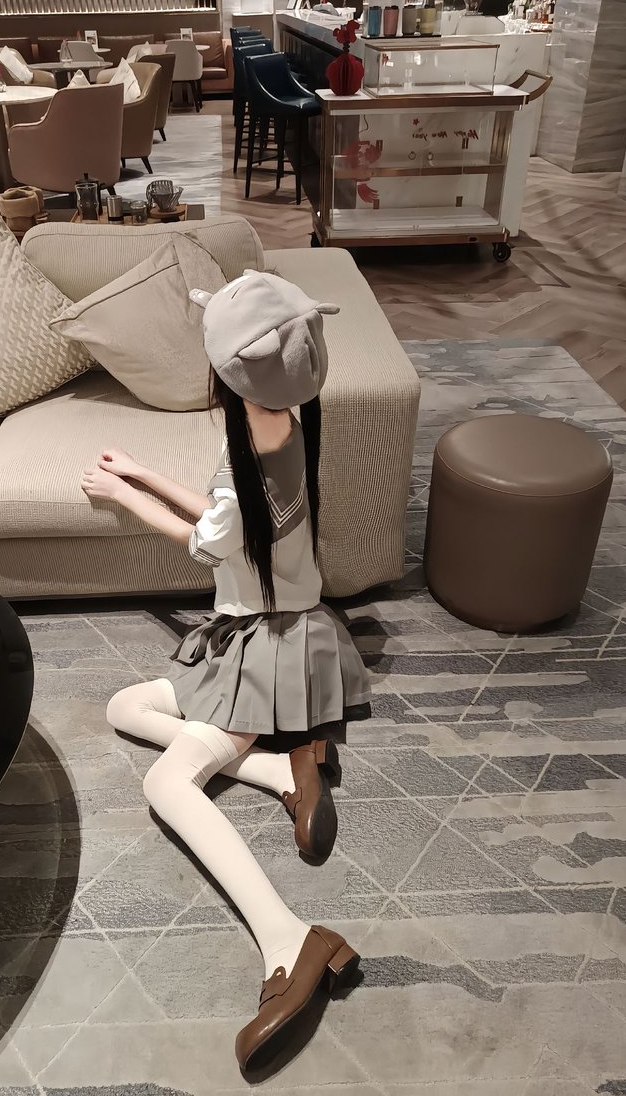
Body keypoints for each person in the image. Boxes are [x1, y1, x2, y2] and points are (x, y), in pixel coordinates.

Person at [82, 269, 369, 1072]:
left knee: (165, 783)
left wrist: (119, 494)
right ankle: (286, 769)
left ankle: (290, 938)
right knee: (125, 707)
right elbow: (220, 511)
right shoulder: (282, 422)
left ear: (225, 373)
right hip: (278, 631)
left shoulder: (252, 465)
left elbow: (202, 537)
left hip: (262, 651)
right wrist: (141, 472)